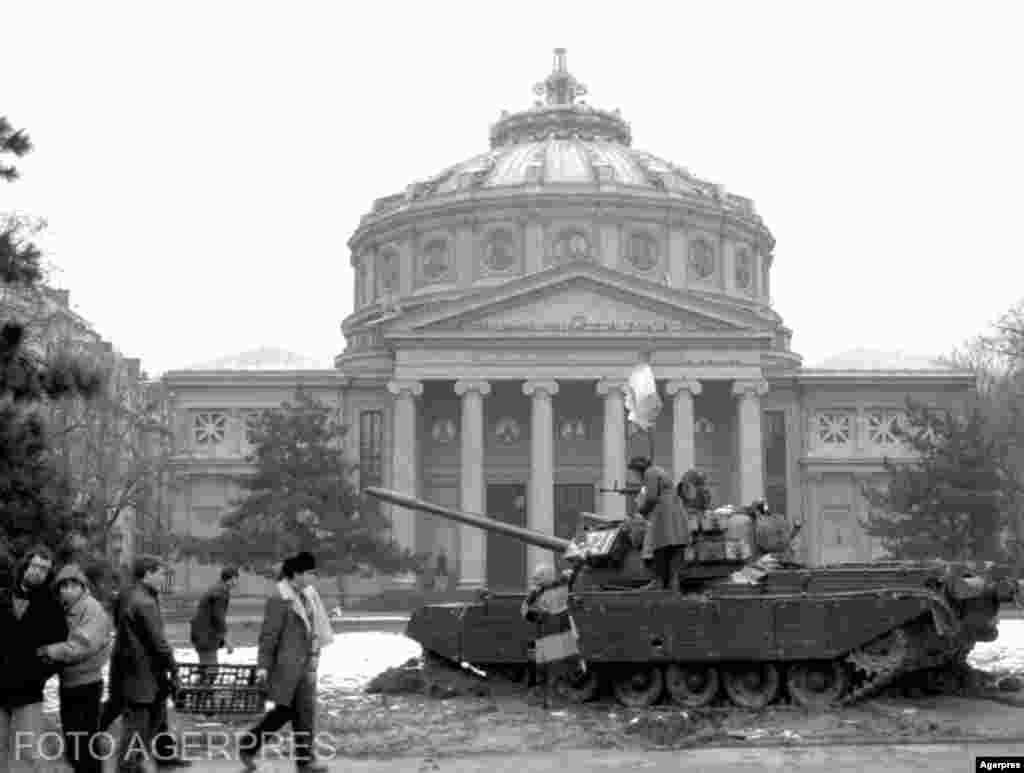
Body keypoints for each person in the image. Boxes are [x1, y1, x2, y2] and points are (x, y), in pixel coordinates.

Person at [239, 551, 332, 772]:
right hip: (286, 667)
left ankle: (301, 760)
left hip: (307, 664)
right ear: (296, 574)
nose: (314, 577)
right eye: (310, 573)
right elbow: (268, 636)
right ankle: (300, 760)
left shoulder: (308, 594)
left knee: (301, 712)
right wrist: (262, 667)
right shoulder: (279, 598)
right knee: (292, 712)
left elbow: (314, 627)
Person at [108, 555, 188, 772]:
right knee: (138, 725)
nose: (164, 578)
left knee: (158, 716)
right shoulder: (145, 602)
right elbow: (159, 642)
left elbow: (121, 627)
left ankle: (162, 756)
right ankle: (128, 767)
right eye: (161, 573)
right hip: (142, 672)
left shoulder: (128, 594)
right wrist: (174, 668)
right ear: (148, 573)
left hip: (135, 669)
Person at [38, 563, 113, 773]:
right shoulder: (66, 608)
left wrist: (48, 651)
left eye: (72, 585)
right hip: (69, 682)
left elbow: (82, 645)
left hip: (86, 684)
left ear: (82, 586)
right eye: (63, 586)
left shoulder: (91, 609)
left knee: (85, 742)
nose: (67, 590)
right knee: (74, 741)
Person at [0, 545, 68, 771]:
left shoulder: (52, 607)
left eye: (45, 569)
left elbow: (58, 649)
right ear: (25, 566)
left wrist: (38, 675)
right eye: (36, 566)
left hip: (28, 691)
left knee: (28, 752)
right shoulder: (2, 597)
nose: (39, 572)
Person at [520, 565, 584, 709]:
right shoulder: (537, 591)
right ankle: (550, 701)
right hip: (548, 633)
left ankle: (553, 699)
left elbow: (573, 575)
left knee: (563, 665)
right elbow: (524, 610)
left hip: (559, 629)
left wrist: (577, 565)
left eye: (539, 578)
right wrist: (537, 616)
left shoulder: (561, 582)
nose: (537, 582)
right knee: (552, 668)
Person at [626, 456, 690, 589]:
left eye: (634, 472)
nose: (635, 476)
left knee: (660, 548)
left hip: (665, 514)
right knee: (673, 549)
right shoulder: (658, 471)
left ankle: (658, 582)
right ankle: (673, 584)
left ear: (639, 469)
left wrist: (641, 512)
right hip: (674, 514)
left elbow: (651, 497)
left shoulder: (650, 473)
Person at [189, 567, 239, 683]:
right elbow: (218, 617)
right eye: (237, 579)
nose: (237, 582)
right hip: (205, 636)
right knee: (211, 671)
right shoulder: (221, 591)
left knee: (206, 670)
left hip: (201, 635)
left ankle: (196, 695)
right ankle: (196, 695)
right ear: (232, 579)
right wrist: (227, 639)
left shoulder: (217, 588)